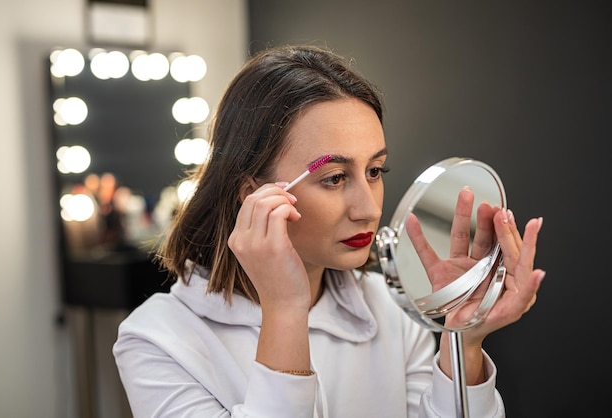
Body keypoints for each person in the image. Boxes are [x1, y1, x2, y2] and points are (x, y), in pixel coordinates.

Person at [113, 44, 545, 417]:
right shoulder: (158, 339)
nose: (368, 208)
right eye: (335, 177)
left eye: (375, 170)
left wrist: (463, 344)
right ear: (254, 193)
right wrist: (284, 309)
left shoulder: (390, 313)